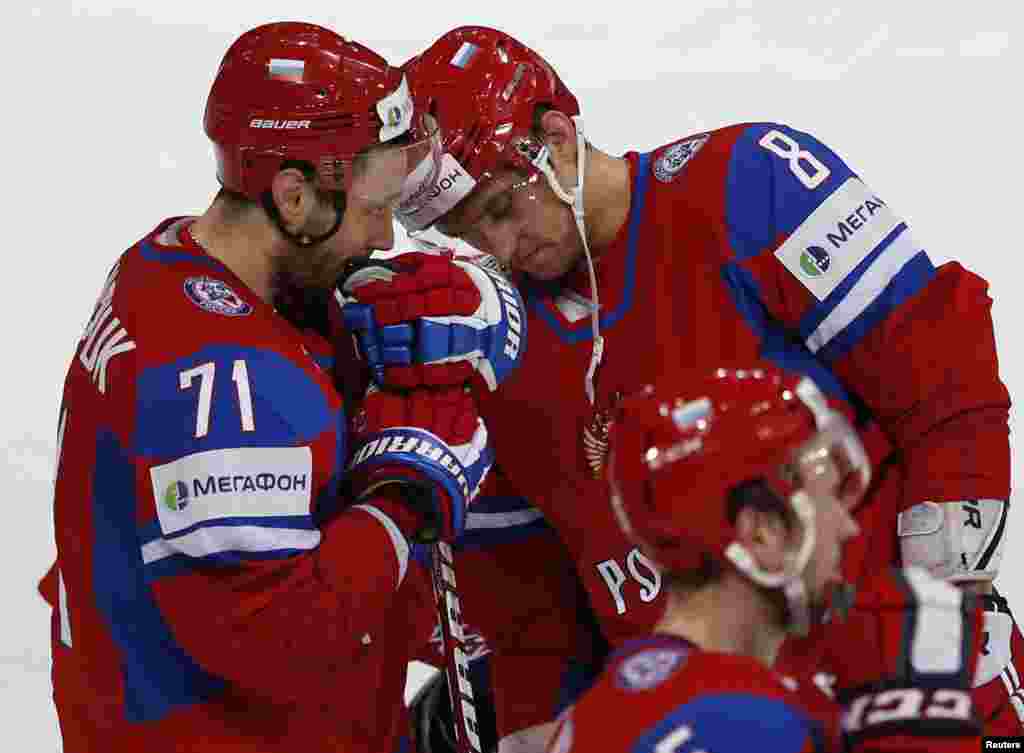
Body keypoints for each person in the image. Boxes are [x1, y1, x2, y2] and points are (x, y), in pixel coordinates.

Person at [339, 25, 1021, 752]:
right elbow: (530, 607)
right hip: (712, 726)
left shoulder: (753, 183)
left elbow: (944, 377)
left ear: (559, 136)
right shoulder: (492, 343)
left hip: (895, 674)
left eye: (504, 210)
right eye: (471, 233)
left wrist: (947, 611)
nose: (503, 250)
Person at [37, 22, 496, 753]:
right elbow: (283, 635)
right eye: (375, 208)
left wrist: (354, 343)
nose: (384, 240)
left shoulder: (166, 259)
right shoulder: (223, 375)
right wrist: (404, 495)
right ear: (294, 197)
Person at [549, 364, 985, 753]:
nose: (848, 527)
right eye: (828, 498)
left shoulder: (592, 714)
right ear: (759, 534)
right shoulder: (743, 721)